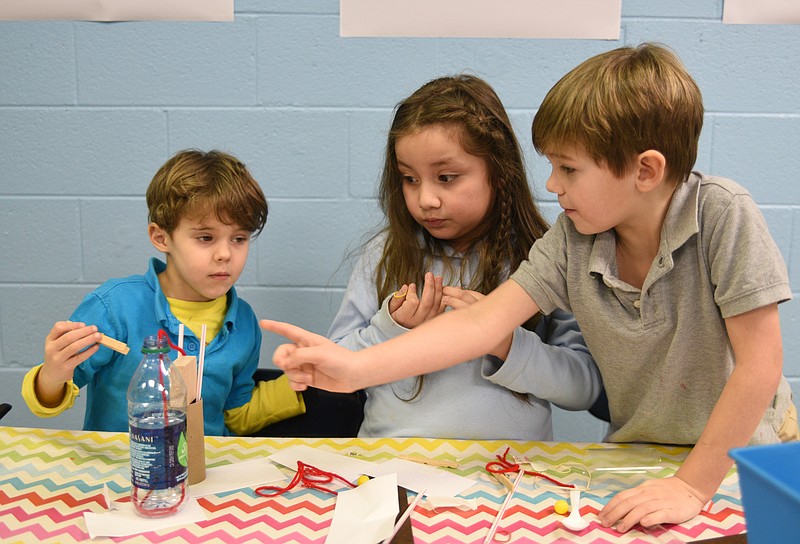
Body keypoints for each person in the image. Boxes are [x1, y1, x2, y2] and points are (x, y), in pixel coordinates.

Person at [261, 43, 799, 531]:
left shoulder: (724, 214)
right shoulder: (574, 239)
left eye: (568, 168)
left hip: (743, 462)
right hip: (640, 455)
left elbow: (759, 364)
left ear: (645, 171)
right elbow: (481, 322)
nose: (551, 184)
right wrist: (353, 367)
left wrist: (691, 485)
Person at [328, 75, 601, 440]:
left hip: (510, 472)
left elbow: (583, 387)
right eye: (409, 179)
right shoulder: (385, 254)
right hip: (392, 463)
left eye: (446, 177)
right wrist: (391, 328)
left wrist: (501, 339)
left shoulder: (543, 257)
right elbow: (336, 370)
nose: (426, 199)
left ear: (499, 172)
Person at [22, 149, 305, 436]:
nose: (225, 254)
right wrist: (51, 375)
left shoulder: (243, 320)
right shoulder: (115, 307)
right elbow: (49, 400)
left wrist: (298, 380)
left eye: (239, 238)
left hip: (206, 476)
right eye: (205, 238)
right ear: (161, 237)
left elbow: (236, 415)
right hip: (124, 472)